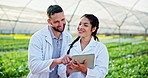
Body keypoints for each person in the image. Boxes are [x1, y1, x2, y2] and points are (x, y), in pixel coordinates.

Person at [27, 5, 72, 78]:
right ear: (49, 22)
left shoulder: (68, 37)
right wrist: (56, 61)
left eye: (63, 19)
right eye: (57, 21)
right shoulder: (38, 37)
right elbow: (34, 67)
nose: (61, 24)